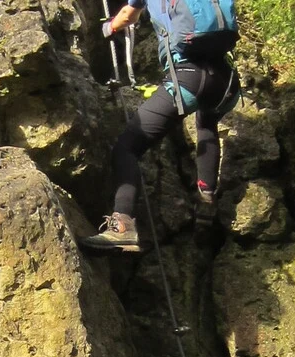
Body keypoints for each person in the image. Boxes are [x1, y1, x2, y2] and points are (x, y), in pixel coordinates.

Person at [80, 0, 241, 252]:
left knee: (127, 147)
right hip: (226, 82)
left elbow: (128, 16)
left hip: (189, 78)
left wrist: (109, 28)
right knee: (206, 125)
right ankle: (206, 201)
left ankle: (122, 226)